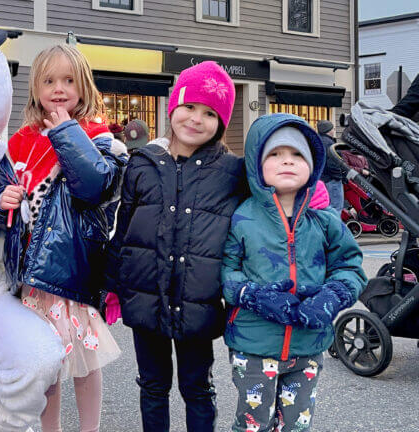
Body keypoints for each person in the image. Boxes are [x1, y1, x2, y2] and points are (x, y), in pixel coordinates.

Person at [0, 44, 127, 432]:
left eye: (68, 80)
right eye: (49, 80)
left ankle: (90, 429)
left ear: (83, 85)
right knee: (44, 365)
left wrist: (65, 131)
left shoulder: (98, 136)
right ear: (35, 87)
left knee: (85, 361)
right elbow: (0, 207)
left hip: (70, 270)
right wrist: (1, 202)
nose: (59, 88)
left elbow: (93, 185)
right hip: (30, 274)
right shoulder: (19, 142)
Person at [105, 61, 245, 432]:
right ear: (173, 107)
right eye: (189, 107)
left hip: (199, 301)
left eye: (210, 113)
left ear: (222, 122)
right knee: (152, 385)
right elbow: (124, 228)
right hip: (144, 294)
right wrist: (111, 282)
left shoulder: (232, 173)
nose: (196, 119)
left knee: (197, 387)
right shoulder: (141, 164)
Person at [222, 113, 367, 432]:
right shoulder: (242, 219)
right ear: (256, 164)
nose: (286, 161)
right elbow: (226, 270)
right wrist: (252, 295)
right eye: (275, 154)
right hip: (254, 347)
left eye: (297, 154)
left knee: (296, 424)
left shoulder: (326, 222)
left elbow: (350, 268)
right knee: (252, 423)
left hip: (308, 347)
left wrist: (332, 296)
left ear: (312, 164)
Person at [315, 120, 344, 214]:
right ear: (328, 130)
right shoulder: (329, 144)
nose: (334, 130)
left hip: (320, 179)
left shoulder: (316, 141)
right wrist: (340, 176)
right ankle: (334, 228)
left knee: (323, 207)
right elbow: (333, 164)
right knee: (336, 207)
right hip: (331, 180)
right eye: (333, 129)